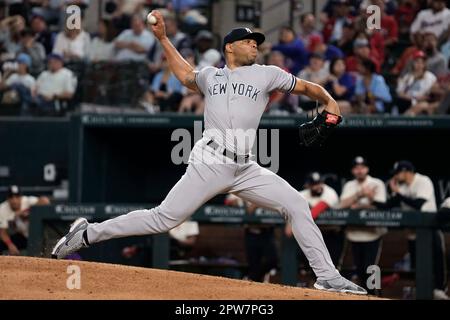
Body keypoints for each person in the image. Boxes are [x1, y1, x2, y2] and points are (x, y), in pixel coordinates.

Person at [52, 11, 366, 295]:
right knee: (163, 219)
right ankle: (87, 234)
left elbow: (310, 89)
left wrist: (331, 103)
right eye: (247, 41)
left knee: (297, 204)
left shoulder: (266, 73)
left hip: (247, 168)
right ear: (230, 47)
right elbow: (185, 75)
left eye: (255, 42)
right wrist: (162, 38)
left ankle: (327, 276)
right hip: (210, 162)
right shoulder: (210, 76)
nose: (254, 45)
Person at [373, 161, 447, 299]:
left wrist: (398, 193)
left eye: (397, 173)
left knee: (437, 260)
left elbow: (419, 204)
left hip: (429, 228)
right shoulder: (403, 188)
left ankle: (439, 289)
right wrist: (371, 200)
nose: (395, 177)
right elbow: (387, 205)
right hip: (413, 233)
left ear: (406, 171)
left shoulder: (422, 180)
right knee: (417, 265)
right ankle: (421, 289)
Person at [339, 156, 387, 293]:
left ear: (367, 169)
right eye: (356, 168)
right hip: (354, 234)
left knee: (371, 269)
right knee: (360, 271)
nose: (359, 170)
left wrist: (358, 205)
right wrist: (360, 194)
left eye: (362, 167)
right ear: (353, 171)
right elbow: (341, 205)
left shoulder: (377, 183)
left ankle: (375, 295)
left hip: (373, 234)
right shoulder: (349, 185)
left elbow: (381, 207)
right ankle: (366, 295)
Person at [285, 172, 343, 267]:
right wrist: (289, 223)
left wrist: (294, 225)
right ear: (307, 185)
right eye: (314, 184)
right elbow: (291, 209)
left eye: (319, 183)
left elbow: (317, 210)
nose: (318, 186)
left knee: (332, 264)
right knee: (309, 262)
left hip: (331, 233)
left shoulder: (330, 192)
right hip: (314, 234)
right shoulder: (302, 194)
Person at [224, 194, 278, 283]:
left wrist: (257, 204)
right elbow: (228, 201)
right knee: (254, 264)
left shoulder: (265, 190)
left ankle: (251, 277)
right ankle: (254, 282)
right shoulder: (242, 190)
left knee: (272, 260)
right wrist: (235, 204)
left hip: (266, 232)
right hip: (251, 233)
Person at [0, 185, 50, 255]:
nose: (14, 200)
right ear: (7, 198)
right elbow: (2, 232)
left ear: (21, 197)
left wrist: (26, 211)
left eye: (17, 197)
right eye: (11, 197)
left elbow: (45, 201)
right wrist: (10, 245)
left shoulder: (27, 201)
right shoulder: (2, 208)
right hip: (19, 235)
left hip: (34, 235)